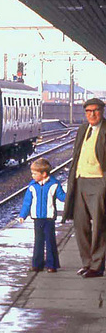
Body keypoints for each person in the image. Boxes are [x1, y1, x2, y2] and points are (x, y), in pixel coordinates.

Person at [62, 98, 106, 278]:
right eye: (88, 111)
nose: (92, 114)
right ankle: (86, 262)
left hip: (99, 182)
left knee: (100, 226)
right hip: (80, 181)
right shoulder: (82, 129)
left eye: (95, 111)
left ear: (102, 111)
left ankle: (97, 265)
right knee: (80, 225)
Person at [18, 158, 66, 272]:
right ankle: (37, 264)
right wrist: (22, 215)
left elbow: (62, 197)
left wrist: (72, 196)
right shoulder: (32, 186)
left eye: (34, 173)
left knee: (50, 241)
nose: (32, 176)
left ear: (43, 174)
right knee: (38, 241)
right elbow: (27, 202)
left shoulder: (54, 184)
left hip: (49, 217)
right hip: (37, 218)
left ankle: (52, 264)